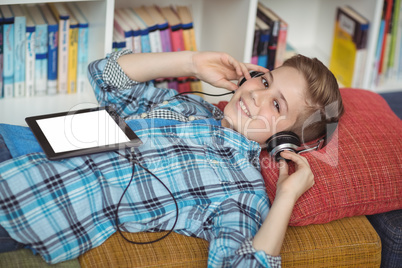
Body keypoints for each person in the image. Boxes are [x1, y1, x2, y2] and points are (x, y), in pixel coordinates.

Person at [0, 49, 344, 267]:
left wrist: (285, 197)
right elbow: (105, 75)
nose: (257, 95)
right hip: (18, 141)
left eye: (277, 105)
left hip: (28, 195)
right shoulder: (192, 106)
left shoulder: (241, 189)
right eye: (264, 80)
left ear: (284, 140)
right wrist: (190, 63)